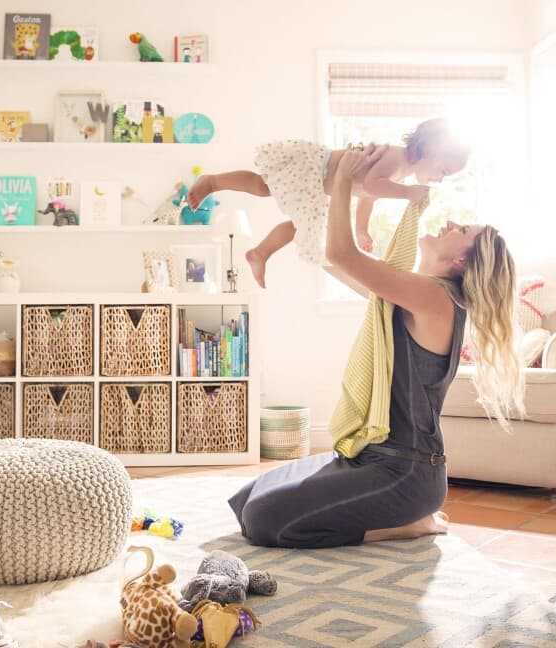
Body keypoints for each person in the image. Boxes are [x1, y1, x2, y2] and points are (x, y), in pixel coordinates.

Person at [228, 144, 524, 548]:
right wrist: (318, 206)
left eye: (463, 231)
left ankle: (410, 524)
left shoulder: (437, 298)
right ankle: (400, 514)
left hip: (404, 472)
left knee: (264, 520)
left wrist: (347, 181)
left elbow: (341, 252)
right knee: (246, 500)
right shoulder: (408, 296)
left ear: (461, 263)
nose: (452, 223)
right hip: (371, 457)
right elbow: (334, 259)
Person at [186, 118, 469, 288]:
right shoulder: (396, 157)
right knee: (265, 188)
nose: (439, 180)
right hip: (316, 170)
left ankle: (259, 253)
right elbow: (372, 186)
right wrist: (407, 194)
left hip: (317, 186)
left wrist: (361, 230)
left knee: (293, 215)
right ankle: (213, 183)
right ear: (431, 150)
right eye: (443, 171)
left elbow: (366, 197)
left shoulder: (401, 172)